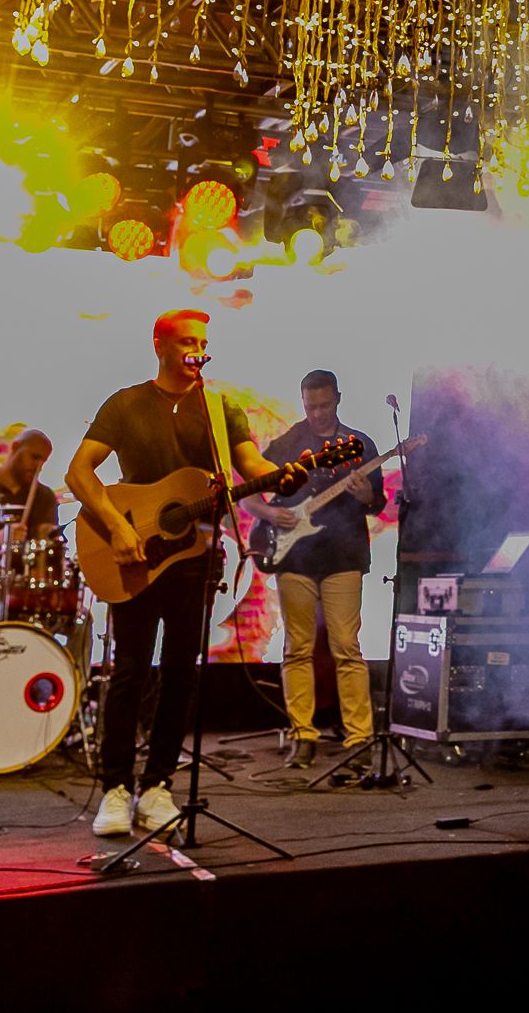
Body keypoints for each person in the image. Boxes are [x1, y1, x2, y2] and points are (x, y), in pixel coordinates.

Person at [65, 310, 307, 838]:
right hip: (131, 553)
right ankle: (114, 789)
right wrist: (119, 529)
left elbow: (249, 465)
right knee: (128, 672)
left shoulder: (219, 409)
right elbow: (79, 472)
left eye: (203, 341)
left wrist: (282, 477)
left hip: (195, 558)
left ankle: (157, 788)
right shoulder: (126, 403)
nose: (196, 348)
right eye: (186, 341)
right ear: (160, 345)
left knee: (181, 673)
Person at [242, 370, 385, 769]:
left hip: (344, 556)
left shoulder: (360, 445)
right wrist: (272, 512)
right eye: (311, 407)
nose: (318, 414)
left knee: (347, 647)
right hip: (294, 557)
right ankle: (302, 734)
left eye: (324, 405)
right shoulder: (287, 444)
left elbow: (377, 502)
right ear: (302, 402)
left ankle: (360, 736)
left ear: (338, 398)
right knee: (297, 648)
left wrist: (366, 493)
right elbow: (246, 497)